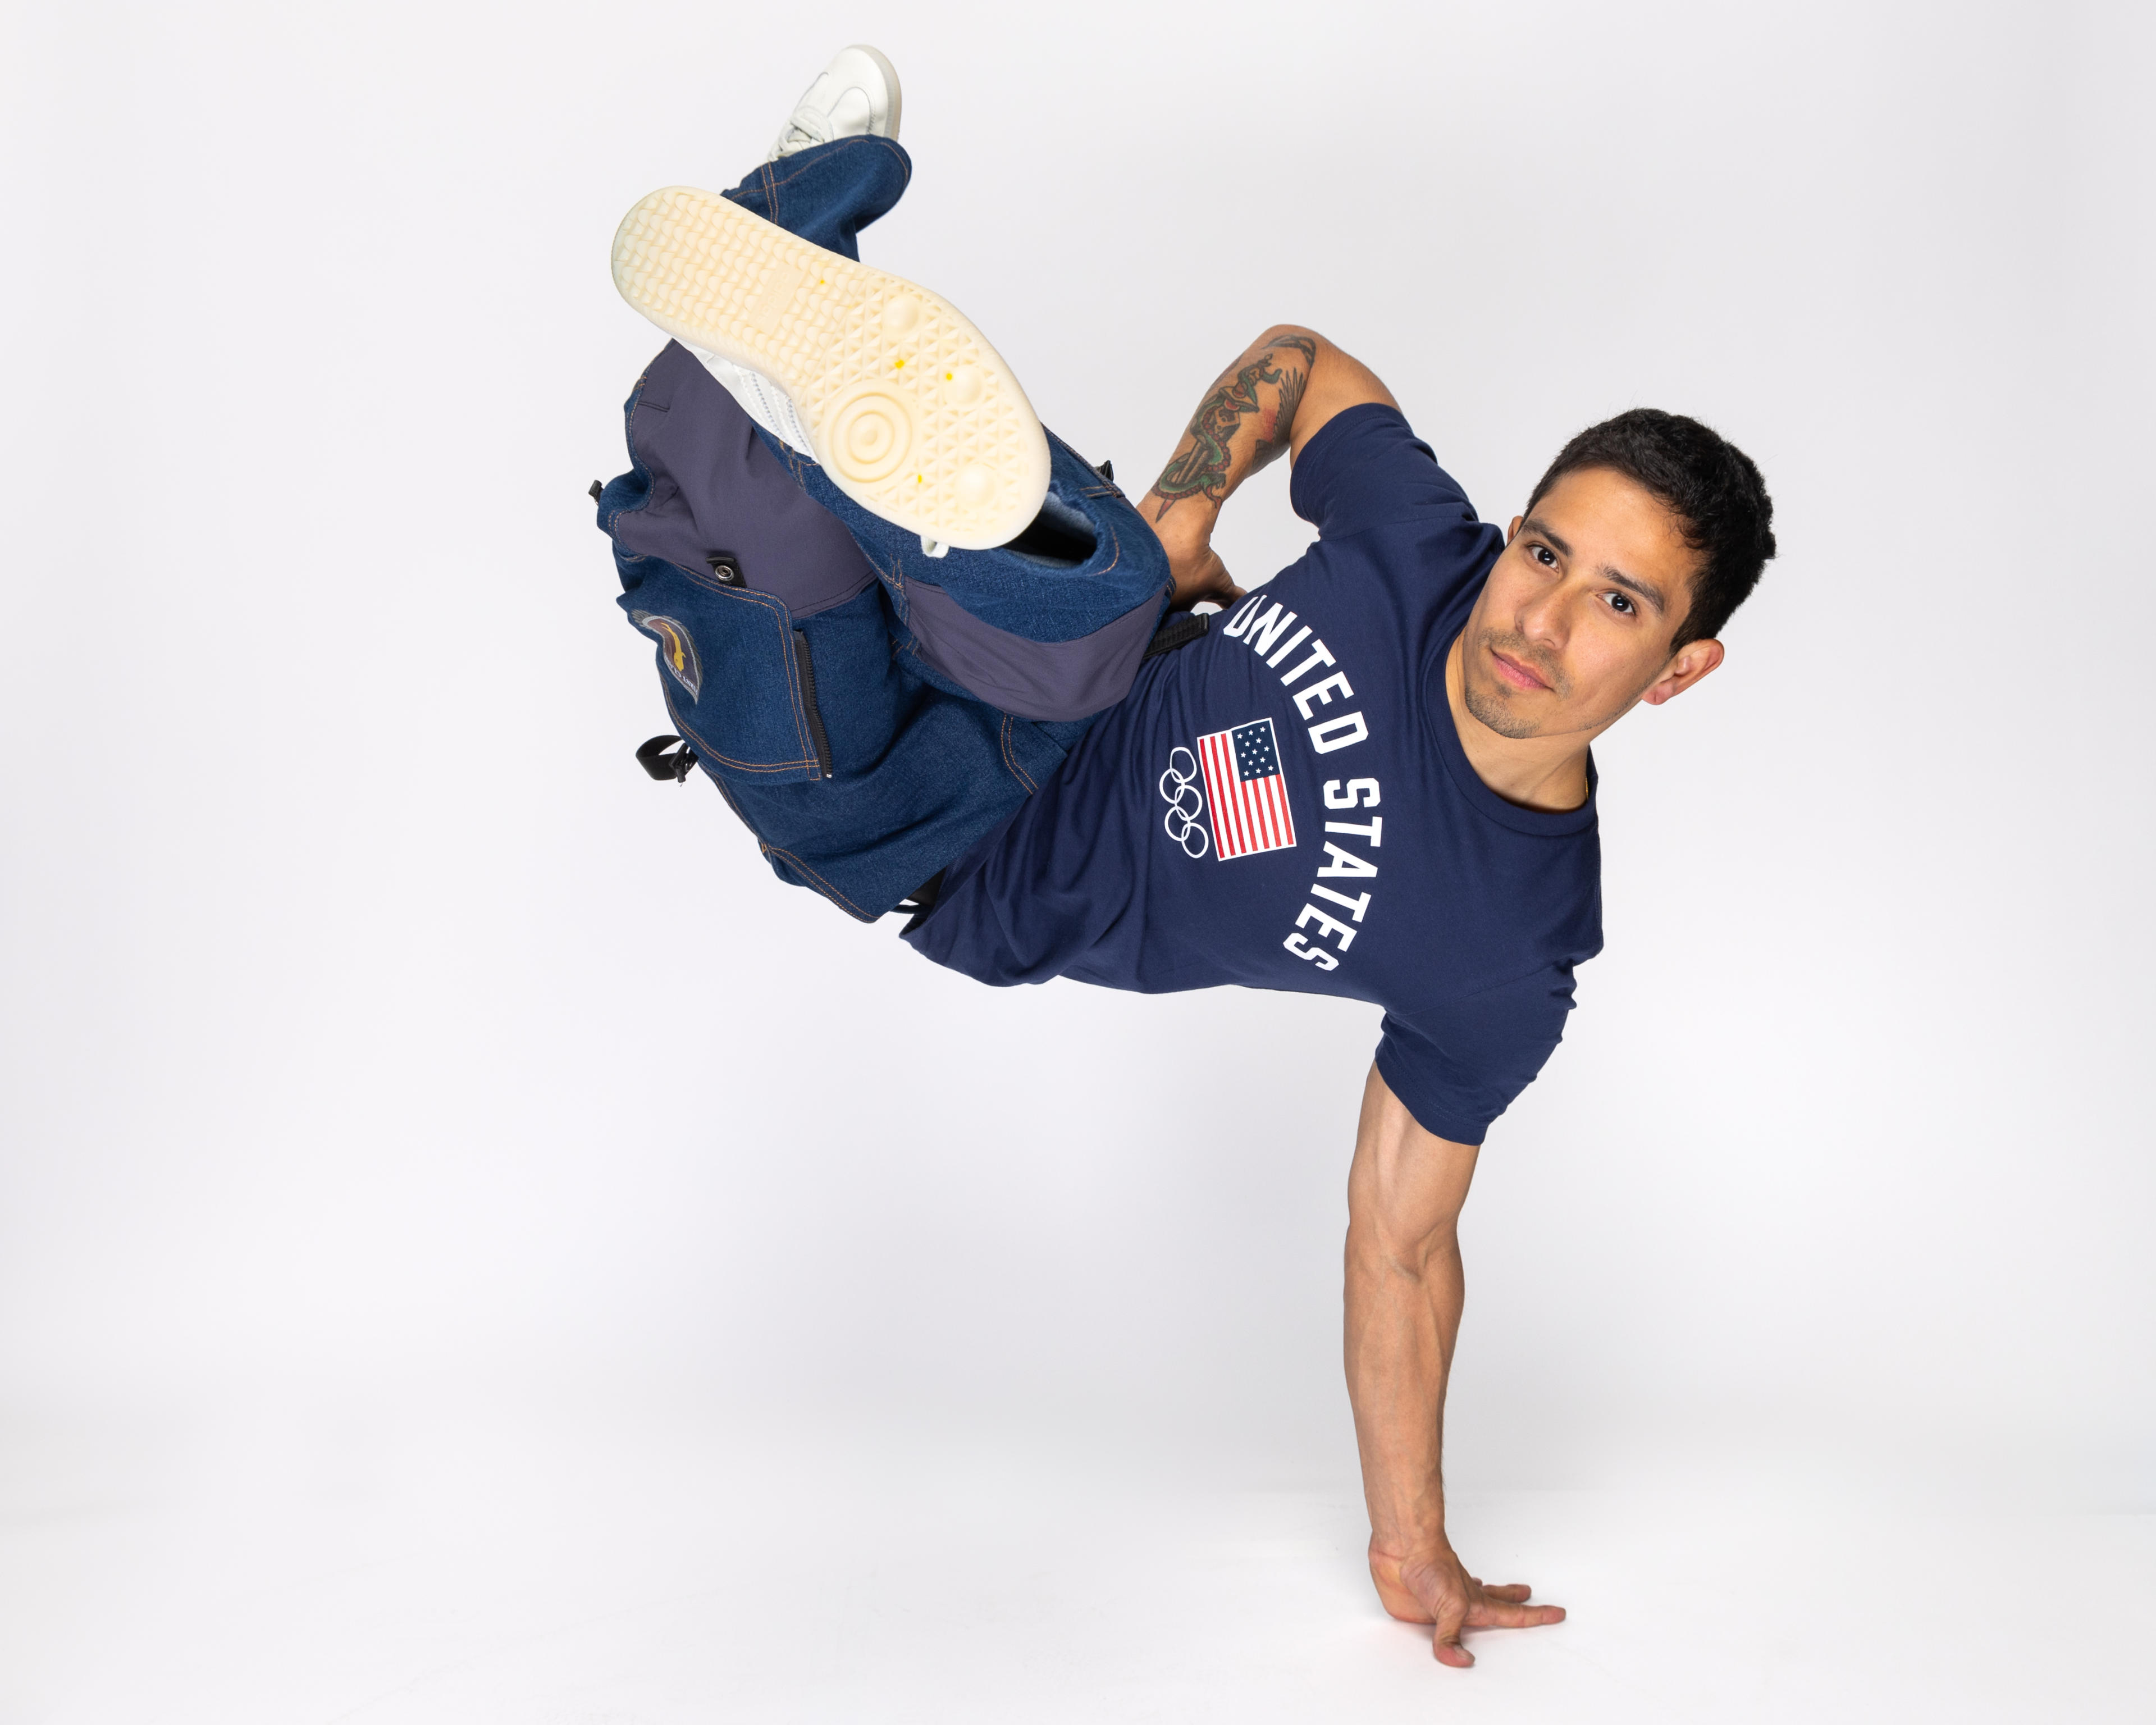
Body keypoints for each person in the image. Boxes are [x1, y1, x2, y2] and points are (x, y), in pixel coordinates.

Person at [596, 46, 1777, 1669]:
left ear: (1681, 667)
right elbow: (1305, 359)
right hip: (1042, 643)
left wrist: (1412, 1539)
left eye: (1620, 606)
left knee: (710, 437)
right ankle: (858, 321)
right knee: (1055, 581)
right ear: (1505, 532)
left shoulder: (1513, 951)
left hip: (928, 835)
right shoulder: (1414, 546)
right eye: (1545, 550)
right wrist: (1180, 502)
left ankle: (807, 236)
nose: (1541, 619)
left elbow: (1403, 1240)